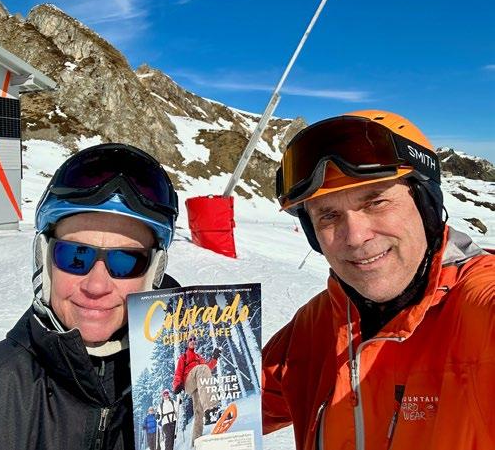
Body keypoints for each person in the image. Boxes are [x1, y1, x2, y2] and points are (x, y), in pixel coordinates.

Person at [262, 110, 495, 450]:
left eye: (376, 202)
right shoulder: (318, 322)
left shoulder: (476, 304)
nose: (355, 237)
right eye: (329, 215)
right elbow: (235, 402)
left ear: (426, 206)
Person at [0, 143, 179, 450]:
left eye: (126, 261)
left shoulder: (182, 383)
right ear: (44, 260)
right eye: (76, 256)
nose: (96, 286)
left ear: (153, 273)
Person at [172, 335, 221, 445]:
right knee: (202, 368)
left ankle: (195, 442)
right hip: (188, 382)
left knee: (198, 410)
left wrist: (214, 358)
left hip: (199, 383)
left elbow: (207, 369)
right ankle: (211, 409)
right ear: (187, 343)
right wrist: (176, 385)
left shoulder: (199, 357)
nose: (193, 341)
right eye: (190, 339)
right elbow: (178, 372)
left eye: (194, 339)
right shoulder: (184, 357)